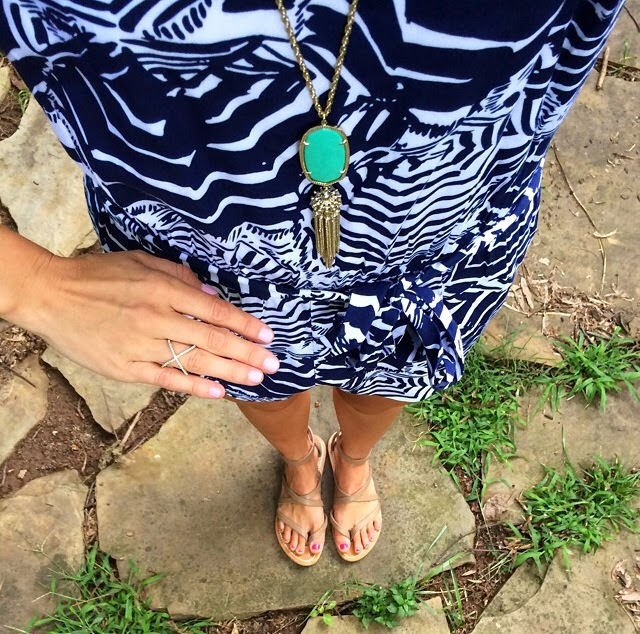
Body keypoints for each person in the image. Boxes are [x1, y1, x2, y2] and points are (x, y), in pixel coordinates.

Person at [0, 0, 624, 566]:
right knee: (254, 369)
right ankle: (301, 463)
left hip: (442, 213)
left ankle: (352, 461)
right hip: (212, 237)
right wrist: (35, 286)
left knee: (391, 374)